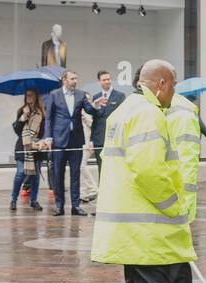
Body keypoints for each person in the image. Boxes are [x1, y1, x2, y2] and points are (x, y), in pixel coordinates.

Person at [92, 59, 195, 283]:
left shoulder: (122, 110)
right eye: (174, 85)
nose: (174, 92)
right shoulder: (150, 113)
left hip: (125, 223)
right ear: (161, 84)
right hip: (146, 226)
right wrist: (173, 207)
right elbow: (150, 171)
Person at [161, 89, 203, 283]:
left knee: (177, 269)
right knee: (166, 268)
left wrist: (180, 207)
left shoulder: (181, 113)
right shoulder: (160, 109)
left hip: (175, 204)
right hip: (163, 202)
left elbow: (187, 164)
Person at [42, 70, 92, 216]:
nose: (75, 81)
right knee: (58, 174)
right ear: (64, 80)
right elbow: (49, 118)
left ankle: (75, 206)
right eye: (72, 78)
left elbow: (89, 110)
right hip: (59, 140)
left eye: (76, 78)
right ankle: (59, 206)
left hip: (76, 139)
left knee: (75, 173)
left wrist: (94, 105)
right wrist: (48, 137)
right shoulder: (54, 94)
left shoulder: (81, 94)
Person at [10, 88, 45, 212]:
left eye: (31, 95)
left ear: (36, 97)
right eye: (27, 96)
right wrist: (23, 117)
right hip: (22, 147)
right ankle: (13, 199)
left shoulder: (42, 113)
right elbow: (17, 130)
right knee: (20, 173)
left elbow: (43, 131)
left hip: (36, 148)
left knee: (35, 176)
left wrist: (40, 141)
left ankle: (33, 200)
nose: (29, 98)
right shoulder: (21, 111)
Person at [88, 69, 125, 174]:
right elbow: (94, 119)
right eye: (104, 80)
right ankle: (102, 190)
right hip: (99, 139)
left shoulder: (119, 96)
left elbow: (122, 117)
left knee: (114, 168)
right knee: (101, 167)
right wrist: (91, 140)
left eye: (108, 79)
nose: (107, 81)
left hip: (114, 138)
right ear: (99, 82)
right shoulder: (96, 97)